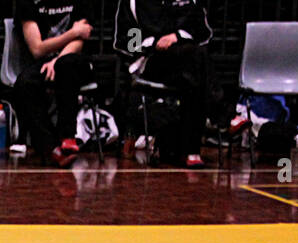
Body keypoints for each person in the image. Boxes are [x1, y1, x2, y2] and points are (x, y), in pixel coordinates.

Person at [112, 0, 215, 168]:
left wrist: (177, 37)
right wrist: (154, 43)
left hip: (185, 63)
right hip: (150, 62)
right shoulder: (132, 3)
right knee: (195, 63)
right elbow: (127, 44)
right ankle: (217, 123)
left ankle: (191, 151)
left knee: (193, 68)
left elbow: (203, 33)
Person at [11, 0, 96, 167]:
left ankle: (67, 136)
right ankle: (51, 147)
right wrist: (72, 32)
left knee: (66, 66)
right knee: (24, 83)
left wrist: (58, 60)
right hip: (44, 62)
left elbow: (79, 40)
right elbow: (37, 49)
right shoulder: (29, 4)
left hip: (74, 59)